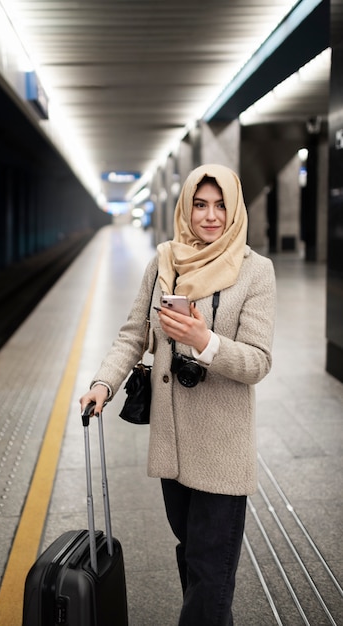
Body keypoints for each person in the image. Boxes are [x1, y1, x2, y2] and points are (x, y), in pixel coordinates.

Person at [80, 163, 276, 625]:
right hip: (173, 447)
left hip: (222, 452)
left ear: (235, 210)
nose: (211, 216)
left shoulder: (255, 272)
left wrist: (204, 341)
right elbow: (133, 334)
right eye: (200, 205)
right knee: (194, 560)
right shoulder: (165, 260)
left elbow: (258, 362)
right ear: (186, 208)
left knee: (210, 573)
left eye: (221, 205)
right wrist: (103, 383)